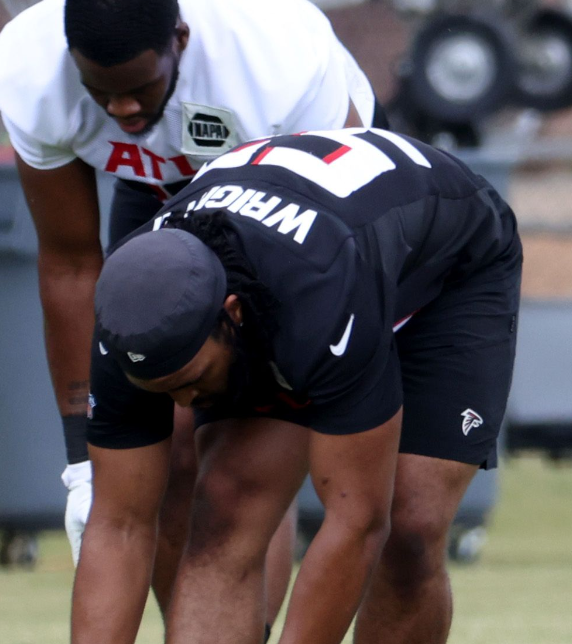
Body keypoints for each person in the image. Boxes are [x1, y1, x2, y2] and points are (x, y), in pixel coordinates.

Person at [0, 0, 374, 619]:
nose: (121, 106)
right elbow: (70, 263)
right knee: (157, 451)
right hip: (156, 186)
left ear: (179, 43)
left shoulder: (277, 61)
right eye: (100, 89)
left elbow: (332, 240)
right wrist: (81, 466)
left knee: (236, 454)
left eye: (140, 87)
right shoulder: (30, 71)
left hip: (293, 190)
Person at [74, 126, 520, 644]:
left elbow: (356, 521)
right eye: (162, 390)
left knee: (408, 529)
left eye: (190, 382)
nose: (183, 404)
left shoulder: (319, 296)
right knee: (224, 505)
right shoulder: (126, 320)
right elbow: (118, 525)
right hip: (304, 259)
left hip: (447, 271)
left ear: (231, 315)